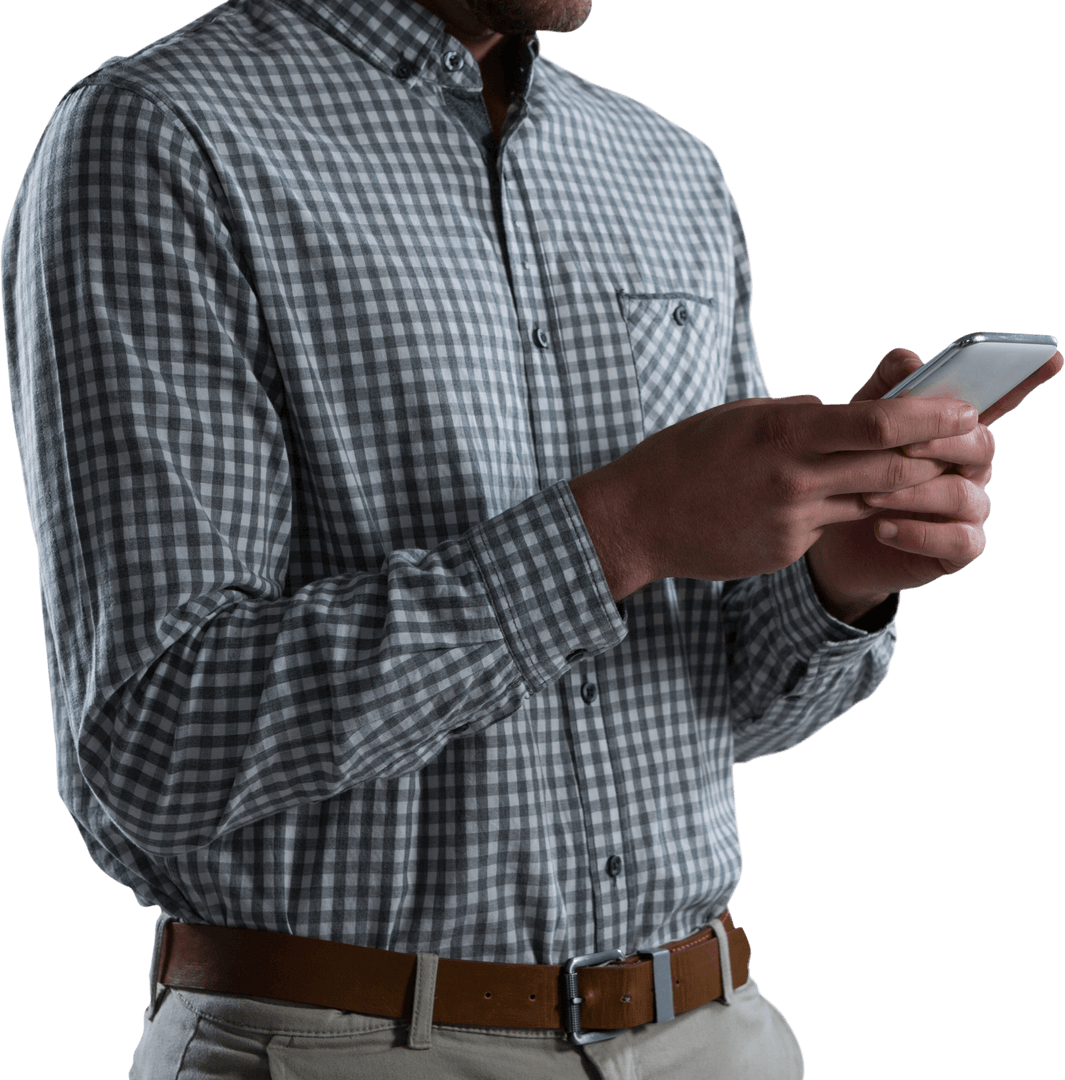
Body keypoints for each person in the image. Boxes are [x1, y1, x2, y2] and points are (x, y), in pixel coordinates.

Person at [3, 0, 1059, 1077]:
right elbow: (157, 741)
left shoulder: (668, 168)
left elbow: (697, 708)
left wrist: (836, 585)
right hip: (343, 1045)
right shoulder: (161, 135)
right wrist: (621, 528)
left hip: (715, 1034)